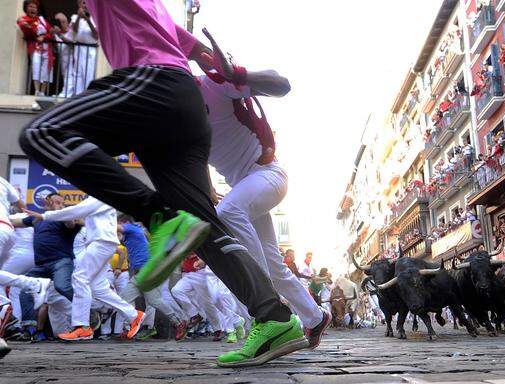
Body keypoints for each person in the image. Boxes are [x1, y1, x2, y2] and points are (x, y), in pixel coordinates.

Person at [18, 0, 301, 367]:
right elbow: (195, 49)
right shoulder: (155, 9)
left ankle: (158, 217)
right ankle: (275, 318)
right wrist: (209, 57)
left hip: (151, 84)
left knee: (44, 132)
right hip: (185, 104)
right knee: (202, 225)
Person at [197, 32, 330, 355]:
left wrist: (236, 73)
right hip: (246, 186)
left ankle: (269, 308)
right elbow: (195, 153)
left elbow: (281, 84)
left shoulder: (213, 83)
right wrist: (209, 186)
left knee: (228, 213)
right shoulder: (179, 114)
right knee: (272, 262)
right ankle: (314, 317)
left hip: (268, 175)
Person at [25, 196, 146, 341]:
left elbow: (77, 211)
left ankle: (82, 326)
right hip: (104, 243)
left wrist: (45, 215)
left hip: (101, 242)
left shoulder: (98, 198)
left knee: (79, 278)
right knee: (98, 288)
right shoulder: (101, 200)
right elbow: (79, 216)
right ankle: (133, 315)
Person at [10, 193, 78, 340]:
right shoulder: (37, 218)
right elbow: (16, 222)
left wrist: (60, 211)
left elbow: (70, 223)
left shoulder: (64, 218)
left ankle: (87, 312)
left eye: (62, 203)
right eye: (57, 202)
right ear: (47, 201)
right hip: (41, 266)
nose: (60, 205)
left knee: (62, 286)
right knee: (25, 287)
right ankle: (29, 328)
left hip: (61, 261)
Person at [116, 215, 186, 340]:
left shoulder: (132, 228)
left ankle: (178, 322)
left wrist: (100, 220)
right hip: (140, 274)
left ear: (124, 222)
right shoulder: (131, 234)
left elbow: (117, 228)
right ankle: (130, 327)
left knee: (155, 300)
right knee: (124, 298)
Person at [16, 0, 54, 96]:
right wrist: (27, 25)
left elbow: (51, 31)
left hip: (46, 48)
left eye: (35, 7)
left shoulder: (41, 19)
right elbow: (28, 31)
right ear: (26, 8)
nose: (33, 9)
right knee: (36, 66)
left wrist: (44, 37)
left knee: (46, 69)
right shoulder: (23, 20)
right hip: (36, 48)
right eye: (30, 7)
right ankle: (37, 91)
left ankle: (42, 91)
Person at [70, 0, 98, 93]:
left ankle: (86, 95)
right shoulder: (74, 17)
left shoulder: (95, 18)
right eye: (83, 2)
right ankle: (77, 95)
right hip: (79, 48)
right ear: (79, 4)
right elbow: (74, 30)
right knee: (77, 73)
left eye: (87, 3)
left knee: (88, 73)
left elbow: (96, 35)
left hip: (90, 49)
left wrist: (88, 20)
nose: (85, 5)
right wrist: (79, 17)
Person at [52, 13, 76, 98]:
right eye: (60, 22)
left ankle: (66, 94)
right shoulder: (56, 34)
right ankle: (65, 92)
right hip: (63, 60)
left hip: (72, 59)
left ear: (67, 22)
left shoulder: (72, 31)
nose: (62, 24)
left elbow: (72, 44)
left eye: (64, 22)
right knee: (65, 76)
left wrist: (60, 35)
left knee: (70, 76)